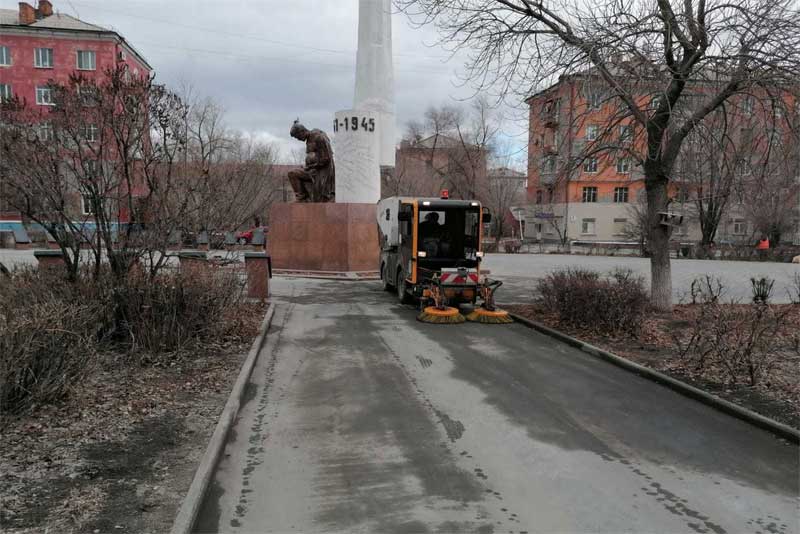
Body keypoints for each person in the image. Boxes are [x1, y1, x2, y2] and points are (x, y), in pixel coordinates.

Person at [288, 120, 335, 202]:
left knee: (294, 174)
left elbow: (326, 158)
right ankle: (302, 198)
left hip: (321, 173)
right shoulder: (309, 139)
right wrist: (308, 167)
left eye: (297, 136)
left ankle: (304, 198)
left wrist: (311, 165)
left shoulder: (318, 137)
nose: (298, 139)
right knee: (292, 174)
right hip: (312, 170)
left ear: (302, 131)